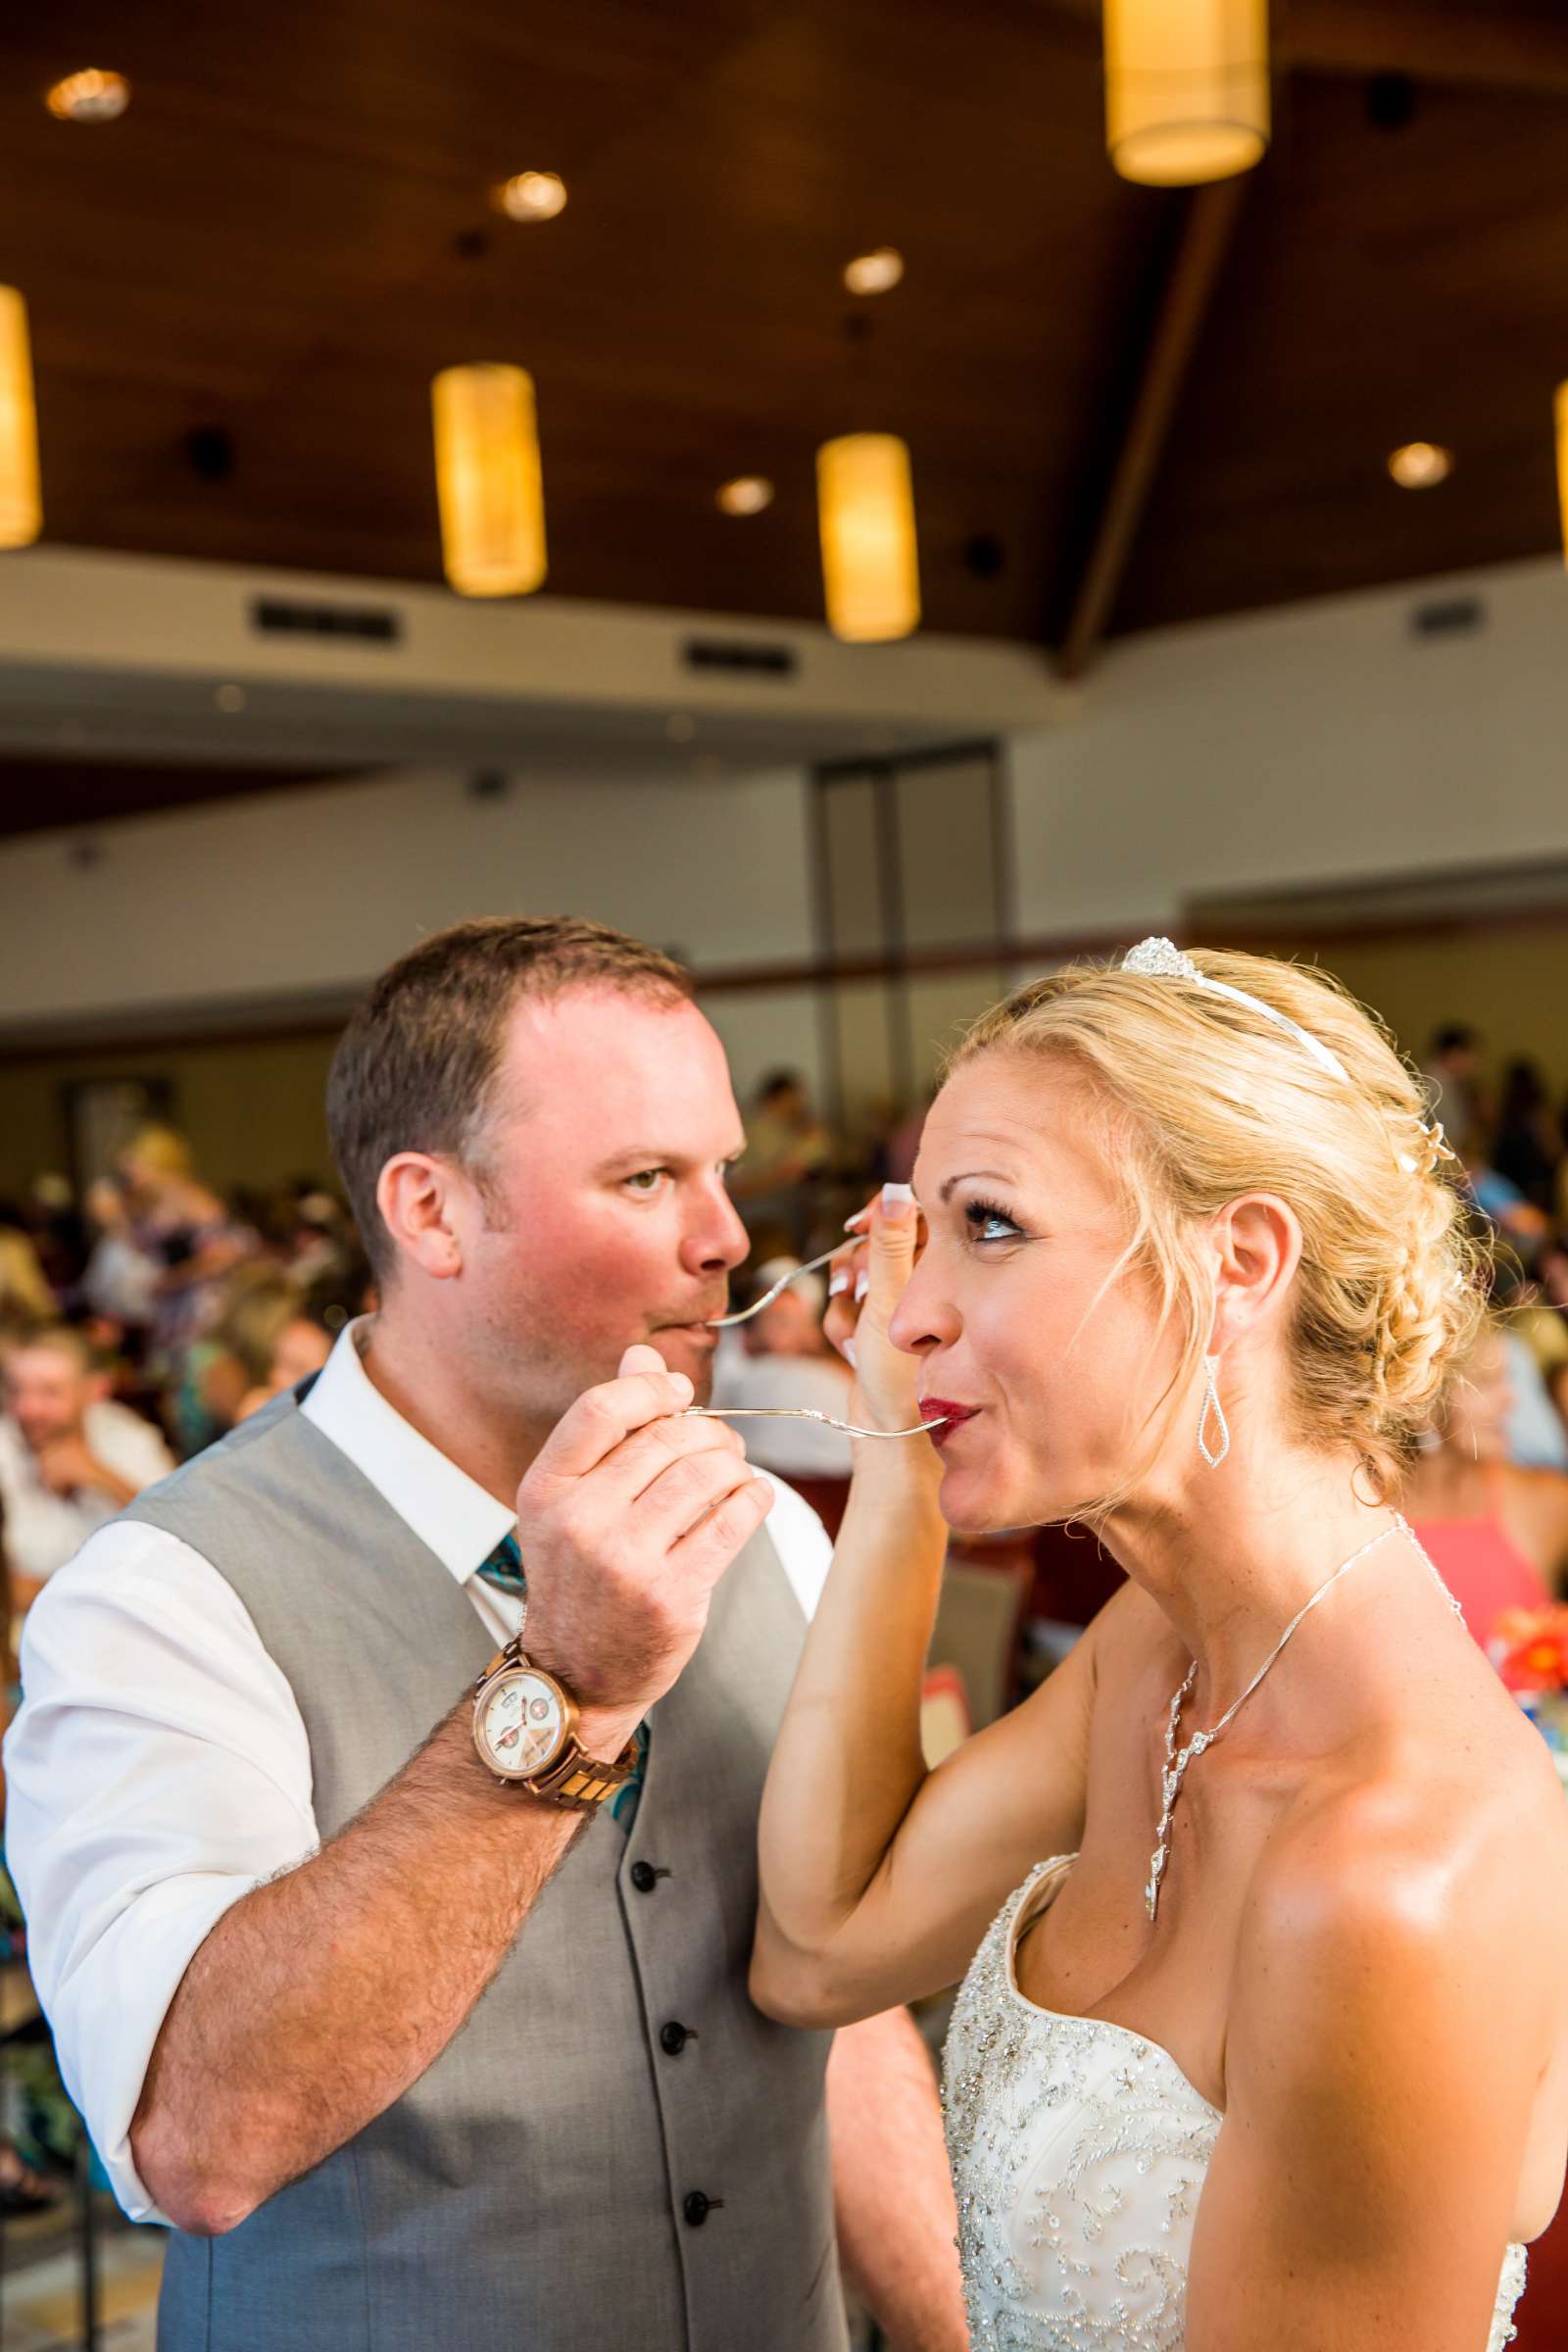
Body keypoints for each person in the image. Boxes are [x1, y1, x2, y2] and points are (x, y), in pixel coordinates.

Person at [5, 916, 963, 2352]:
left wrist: (952, 2327)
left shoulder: (763, 1523)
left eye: (719, 1172)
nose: (726, 1238)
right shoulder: (161, 1594)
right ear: (432, 1212)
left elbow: (828, 2026)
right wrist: (564, 1692)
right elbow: (200, 2138)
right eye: (647, 1179)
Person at [753, 940, 1568, 2350]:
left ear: (1238, 1261)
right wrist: (899, 1464)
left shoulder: (1389, 1866)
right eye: (919, 1232)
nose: (912, 1307)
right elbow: (822, 1951)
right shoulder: (1159, 1654)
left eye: (990, 1224)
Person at [1404, 1317, 1568, 1653]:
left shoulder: (1547, 1501)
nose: (1510, 1399)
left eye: (1505, 1380)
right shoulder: (1366, 1512)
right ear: (1422, 1399)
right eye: (1483, 1383)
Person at [0, 1325, 174, 1607]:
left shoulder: (130, 1439)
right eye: (15, 1390)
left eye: (50, 1392)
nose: (27, 1408)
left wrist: (101, 1477)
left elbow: (176, 1544)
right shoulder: (5, 1446)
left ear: (95, 1389)